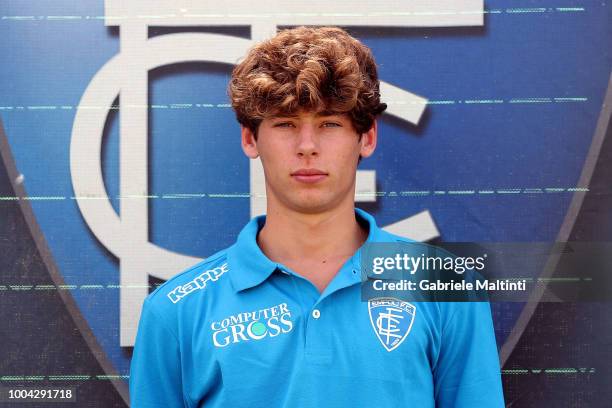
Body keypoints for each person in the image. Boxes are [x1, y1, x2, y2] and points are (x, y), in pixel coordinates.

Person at [129, 26, 505, 407]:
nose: (307, 146)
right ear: (249, 139)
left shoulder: (443, 287)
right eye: (285, 124)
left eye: (329, 123)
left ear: (368, 137)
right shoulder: (176, 310)